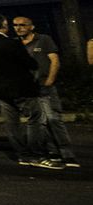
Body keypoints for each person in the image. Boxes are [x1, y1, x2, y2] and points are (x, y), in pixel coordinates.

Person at [0, 13, 55, 169]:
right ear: (4, 25)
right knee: (34, 118)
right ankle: (36, 154)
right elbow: (30, 63)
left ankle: (23, 155)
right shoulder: (11, 44)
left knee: (12, 122)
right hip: (21, 87)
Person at [15, 16, 78, 169]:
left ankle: (67, 153)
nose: (19, 28)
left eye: (23, 25)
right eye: (16, 25)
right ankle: (52, 151)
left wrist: (50, 80)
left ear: (31, 26)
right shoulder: (15, 44)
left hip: (45, 85)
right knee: (39, 122)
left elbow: (54, 60)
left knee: (54, 119)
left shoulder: (43, 40)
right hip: (29, 89)